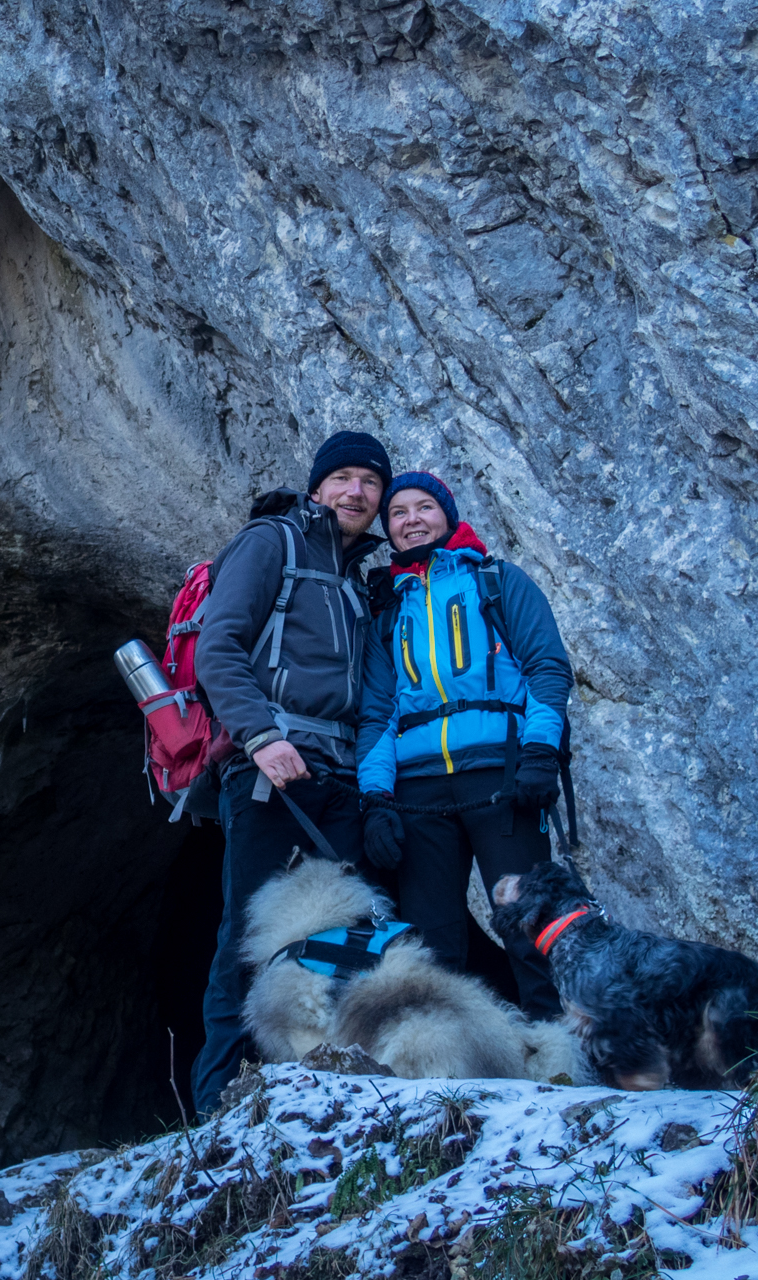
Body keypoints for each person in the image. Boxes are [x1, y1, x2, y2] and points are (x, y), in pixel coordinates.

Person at [189, 430, 391, 1115]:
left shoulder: (358, 582)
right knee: (246, 938)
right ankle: (219, 1100)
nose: (356, 492)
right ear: (317, 487)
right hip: (268, 772)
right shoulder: (271, 543)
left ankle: (316, 1082)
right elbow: (218, 648)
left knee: (342, 937)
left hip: (339, 777)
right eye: (343, 479)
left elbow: (367, 694)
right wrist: (261, 736)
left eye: (370, 483)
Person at [355, 472, 570, 1019]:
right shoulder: (388, 614)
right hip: (417, 791)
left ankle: (560, 1056)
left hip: (503, 780)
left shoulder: (497, 582)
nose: (411, 520)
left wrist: (541, 752)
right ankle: (445, 1069)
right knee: (431, 941)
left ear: (448, 516)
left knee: (529, 922)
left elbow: (546, 668)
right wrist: (375, 800)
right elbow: (377, 712)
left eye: (424, 507)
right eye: (398, 513)